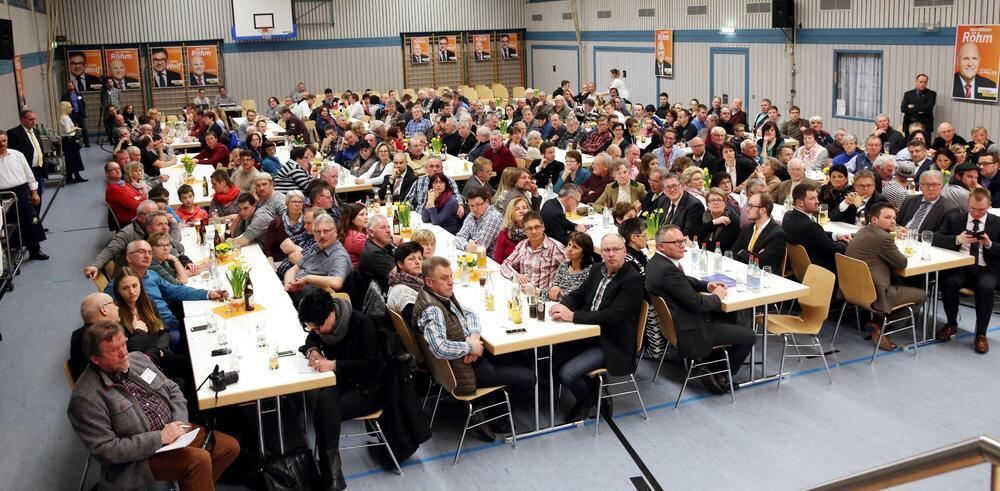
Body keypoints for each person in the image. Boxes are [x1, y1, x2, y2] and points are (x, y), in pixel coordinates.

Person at [67, 321, 239, 490]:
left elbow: (173, 389)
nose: (124, 353)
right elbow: (106, 450)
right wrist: (160, 438)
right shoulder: (85, 398)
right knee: (198, 461)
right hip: (139, 459)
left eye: (124, 345)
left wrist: (180, 424)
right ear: (96, 359)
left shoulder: (138, 359)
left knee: (229, 448)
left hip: (173, 432)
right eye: (114, 350)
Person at [415, 256, 535, 437]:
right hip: (464, 371)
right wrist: (469, 348)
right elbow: (439, 347)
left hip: (466, 359)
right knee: (529, 376)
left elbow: (469, 312)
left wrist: (474, 337)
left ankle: (487, 403)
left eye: (451, 276)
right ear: (429, 282)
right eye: (444, 278)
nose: (451, 282)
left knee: (517, 356)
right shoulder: (433, 309)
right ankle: (498, 418)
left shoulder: (437, 295)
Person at [646, 225, 755, 393]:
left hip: (676, 324)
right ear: (661, 246)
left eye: (682, 240)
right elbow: (698, 304)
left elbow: (682, 280)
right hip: (691, 329)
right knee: (749, 336)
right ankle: (719, 372)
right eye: (676, 242)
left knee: (730, 315)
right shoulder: (668, 270)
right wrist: (718, 296)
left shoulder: (656, 263)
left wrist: (707, 285)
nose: (682, 245)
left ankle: (710, 361)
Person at [546, 233, 642, 422]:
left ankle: (587, 401)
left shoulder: (633, 280)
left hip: (613, 342)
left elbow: (612, 316)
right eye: (607, 250)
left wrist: (572, 316)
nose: (611, 254)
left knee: (568, 373)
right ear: (602, 253)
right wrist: (563, 305)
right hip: (588, 334)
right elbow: (578, 294)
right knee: (550, 358)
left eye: (616, 249)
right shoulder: (597, 269)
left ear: (625, 251)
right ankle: (594, 388)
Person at [297, 290, 384, 490]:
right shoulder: (320, 322)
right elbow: (311, 339)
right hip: (343, 381)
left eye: (318, 328)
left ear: (330, 315)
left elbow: (370, 365)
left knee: (324, 409)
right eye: (312, 328)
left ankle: (331, 476)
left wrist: (334, 364)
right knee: (325, 403)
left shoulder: (361, 323)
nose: (316, 332)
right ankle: (333, 476)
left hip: (369, 388)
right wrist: (313, 350)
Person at [845, 202, 928, 351]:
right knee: (921, 295)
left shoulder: (863, 231)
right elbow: (901, 263)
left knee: (899, 282)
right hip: (876, 293)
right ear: (875, 220)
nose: (893, 221)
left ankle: (878, 320)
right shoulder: (883, 238)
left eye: (894, 218)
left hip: (854, 289)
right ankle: (884, 327)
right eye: (888, 217)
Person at [933, 189, 1000, 353]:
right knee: (948, 282)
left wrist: (990, 244)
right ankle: (951, 323)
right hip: (961, 266)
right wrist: (957, 239)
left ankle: (981, 334)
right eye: (973, 209)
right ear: (967, 205)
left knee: (985, 288)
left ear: (989, 206)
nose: (976, 213)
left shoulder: (997, 223)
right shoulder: (954, 218)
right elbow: (936, 238)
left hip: (986, 268)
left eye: (981, 210)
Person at [782, 183, 851, 272]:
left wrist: (836, 235)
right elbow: (833, 249)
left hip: (799, 268)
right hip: (821, 270)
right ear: (799, 202)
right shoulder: (810, 226)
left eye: (816, 197)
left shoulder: (788, 216)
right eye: (812, 198)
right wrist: (846, 244)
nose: (817, 201)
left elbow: (817, 235)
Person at [285, 212, 351, 295]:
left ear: (335, 232)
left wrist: (308, 279)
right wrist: (289, 284)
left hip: (306, 302)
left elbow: (337, 282)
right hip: (290, 292)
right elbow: (294, 268)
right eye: (318, 232)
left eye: (326, 231)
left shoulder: (340, 256)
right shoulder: (316, 246)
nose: (322, 235)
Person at [499, 211, 566, 290]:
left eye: (537, 227)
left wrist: (557, 289)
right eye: (529, 228)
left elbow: (571, 272)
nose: (534, 231)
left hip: (542, 298)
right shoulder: (522, 245)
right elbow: (506, 264)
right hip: (523, 294)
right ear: (524, 231)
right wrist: (516, 276)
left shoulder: (555, 248)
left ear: (543, 227)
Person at [733, 192, 786, 273]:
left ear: (763, 210)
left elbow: (762, 263)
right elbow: (734, 252)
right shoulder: (747, 228)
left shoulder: (777, 234)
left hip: (765, 278)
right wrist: (753, 255)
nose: (747, 209)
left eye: (751, 206)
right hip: (743, 271)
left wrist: (743, 252)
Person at [896, 170, 956, 235]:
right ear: (920, 186)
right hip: (900, 237)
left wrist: (913, 235)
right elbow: (897, 221)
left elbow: (941, 235)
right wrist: (897, 229)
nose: (931, 188)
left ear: (941, 187)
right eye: (927, 184)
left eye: (934, 185)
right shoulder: (910, 200)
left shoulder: (949, 209)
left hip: (922, 242)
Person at [547, 232, 595, 301]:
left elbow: (574, 299)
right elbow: (553, 290)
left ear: (584, 253)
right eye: (569, 245)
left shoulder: (589, 272)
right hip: (554, 304)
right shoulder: (564, 265)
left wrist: (554, 294)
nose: (569, 249)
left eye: (575, 247)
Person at [454, 188, 503, 256]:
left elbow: (480, 247)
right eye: (471, 205)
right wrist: (466, 246)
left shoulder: (494, 217)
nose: (475, 209)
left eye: (478, 204)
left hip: (490, 260)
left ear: (486, 202)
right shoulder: (471, 215)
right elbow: (459, 237)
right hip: (474, 256)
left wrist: (467, 241)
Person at [661, 172, 704, 239]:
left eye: (674, 186)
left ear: (681, 186)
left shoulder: (694, 205)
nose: (672, 190)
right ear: (664, 190)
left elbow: (688, 233)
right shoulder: (663, 201)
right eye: (668, 187)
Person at [697, 188, 740, 252]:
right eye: (712, 200)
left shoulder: (732, 218)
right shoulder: (705, 215)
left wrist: (696, 244)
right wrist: (714, 222)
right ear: (707, 204)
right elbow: (695, 235)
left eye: (719, 200)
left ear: (725, 203)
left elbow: (720, 247)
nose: (716, 203)